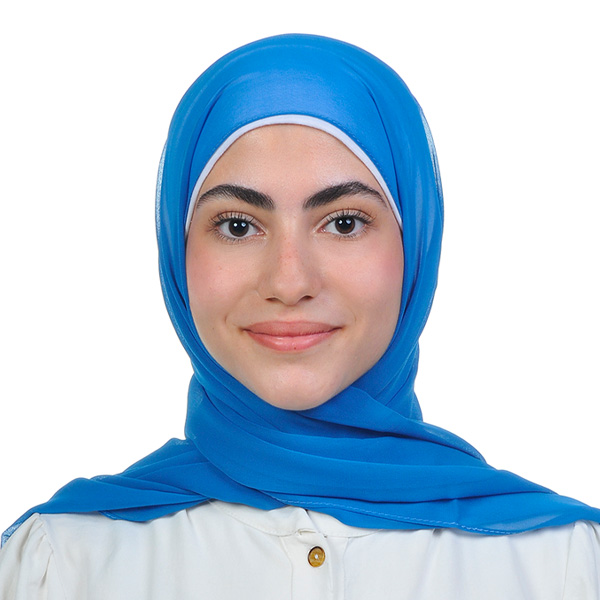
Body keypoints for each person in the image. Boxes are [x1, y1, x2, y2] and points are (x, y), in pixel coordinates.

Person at [1, 33, 599, 599]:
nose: (289, 283)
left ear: (415, 247)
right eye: (239, 226)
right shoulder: (59, 566)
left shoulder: (562, 566)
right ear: (176, 253)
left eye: (344, 222)